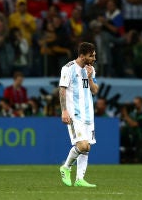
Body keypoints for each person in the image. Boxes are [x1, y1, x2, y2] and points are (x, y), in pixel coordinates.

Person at [59, 42, 99, 187]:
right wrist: (64, 110)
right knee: (82, 146)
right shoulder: (68, 68)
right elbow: (62, 90)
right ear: (82, 56)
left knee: (87, 147)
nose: (94, 58)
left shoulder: (91, 69)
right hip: (74, 114)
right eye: (91, 55)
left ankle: (79, 179)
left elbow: (95, 90)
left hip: (88, 114)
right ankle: (66, 167)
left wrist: (89, 77)